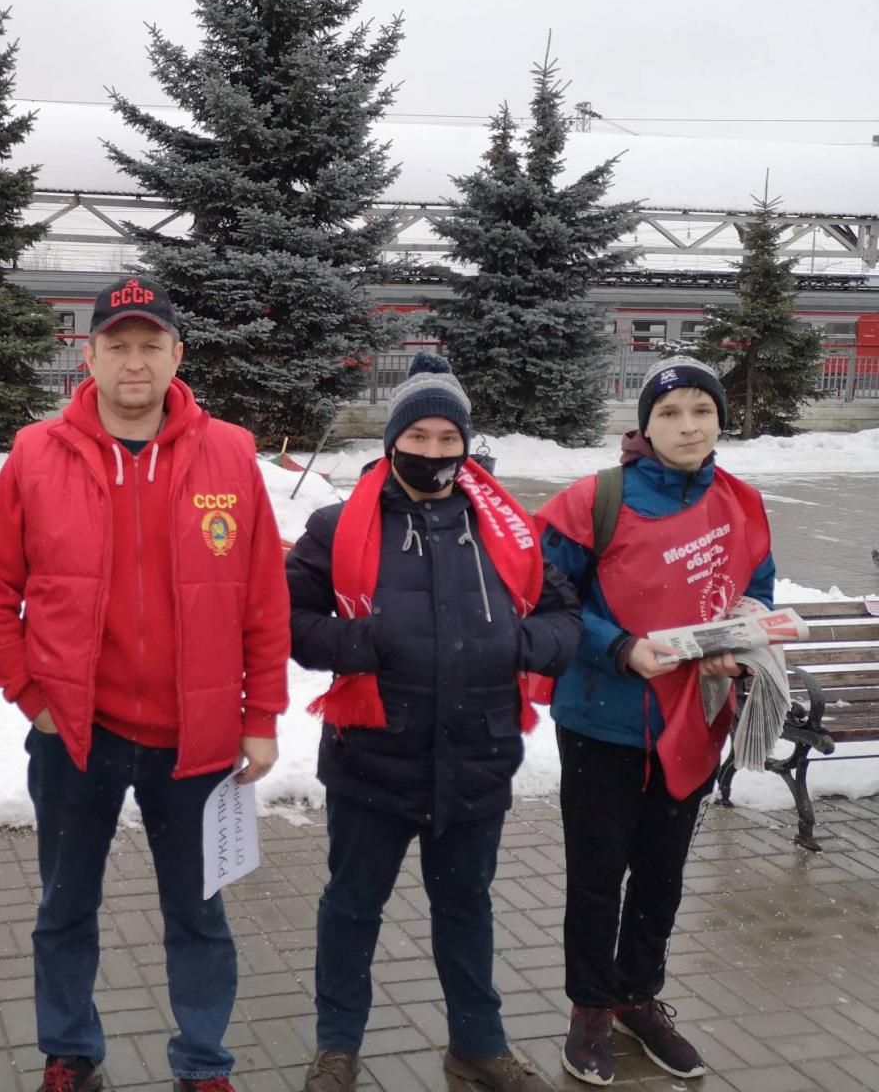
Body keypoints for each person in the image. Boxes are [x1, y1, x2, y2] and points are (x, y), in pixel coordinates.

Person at [0, 275, 290, 1092]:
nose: (134, 361)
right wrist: (31, 696)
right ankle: (70, 1051)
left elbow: (262, 599)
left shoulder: (231, 453)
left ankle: (204, 1063)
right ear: (90, 355)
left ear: (178, 355)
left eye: (151, 345)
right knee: (65, 907)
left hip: (196, 738)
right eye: (118, 345)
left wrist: (261, 715)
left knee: (200, 913)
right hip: (78, 735)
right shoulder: (37, 454)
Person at [285, 352, 581, 1092]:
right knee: (352, 908)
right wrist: (358, 644)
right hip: (372, 758)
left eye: (449, 438)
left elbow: (564, 617)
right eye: (417, 436)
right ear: (393, 441)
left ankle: (477, 1045)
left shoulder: (506, 529)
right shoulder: (337, 526)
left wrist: (519, 644)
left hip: (477, 755)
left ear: (466, 445)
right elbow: (287, 617)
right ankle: (337, 1048)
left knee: (465, 910)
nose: (433, 451)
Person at [539, 357, 773, 1086]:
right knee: (597, 874)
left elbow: (756, 589)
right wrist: (620, 648)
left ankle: (637, 997)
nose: (688, 426)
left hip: (693, 719)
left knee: (662, 872)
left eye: (702, 410)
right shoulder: (593, 500)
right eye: (670, 412)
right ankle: (589, 1008)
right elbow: (543, 596)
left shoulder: (740, 503)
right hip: (601, 720)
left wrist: (740, 643)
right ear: (645, 424)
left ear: (720, 421)